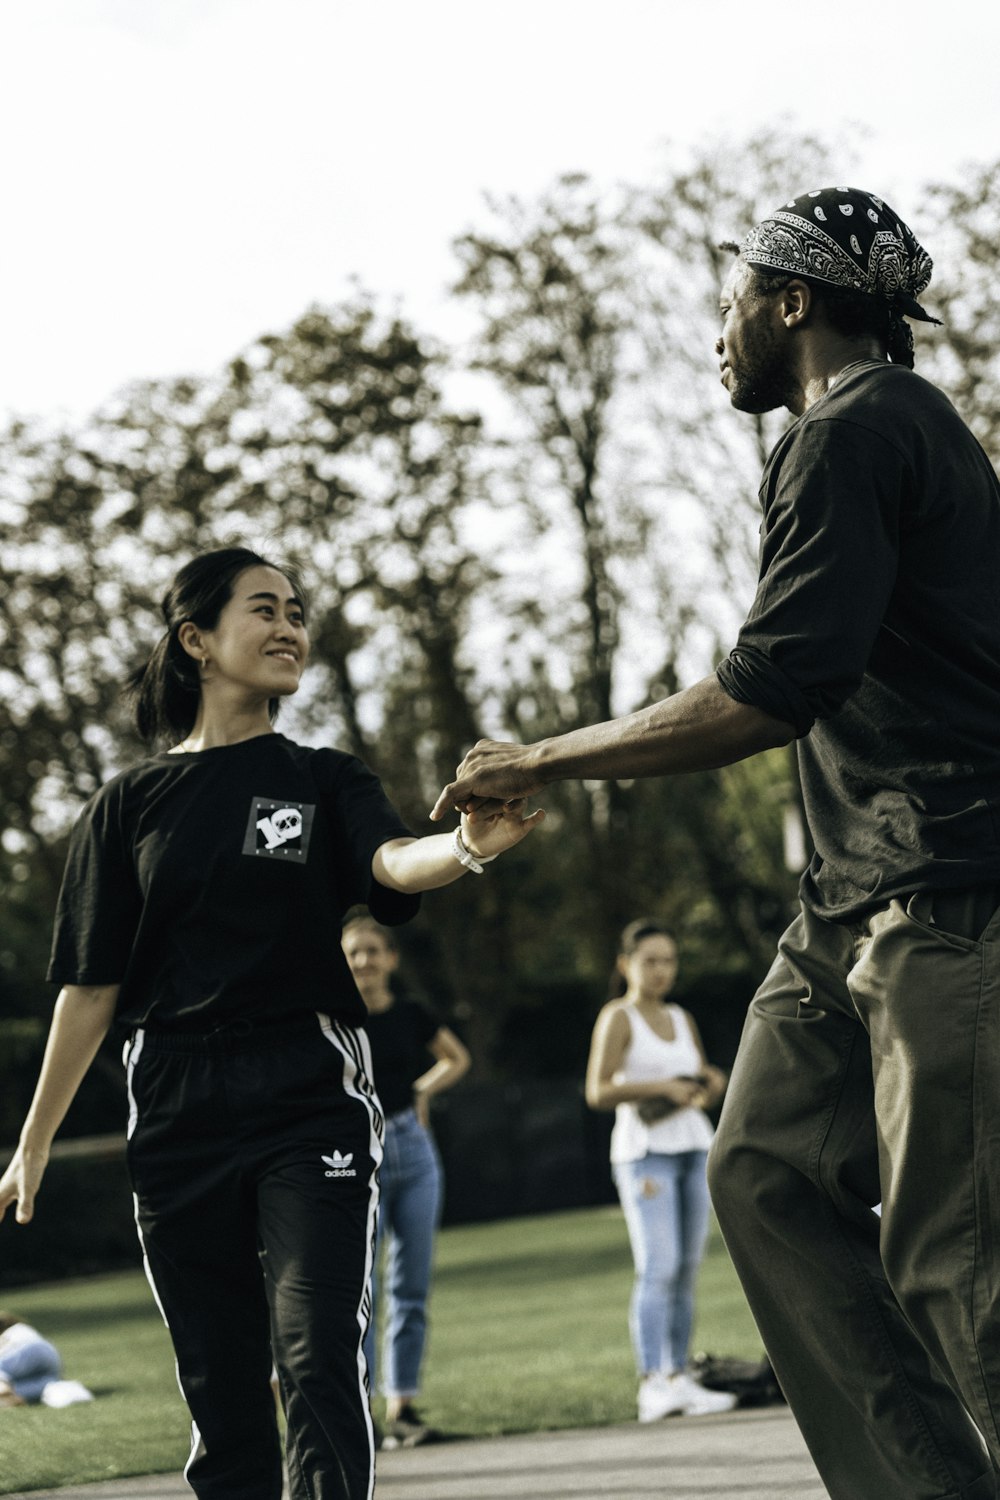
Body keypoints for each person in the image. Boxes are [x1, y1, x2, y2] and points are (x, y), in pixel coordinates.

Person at [431, 187, 1000, 1500]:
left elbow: (770, 685)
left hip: (945, 887)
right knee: (761, 1173)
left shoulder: (857, 430)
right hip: (854, 900)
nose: (723, 330)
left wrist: (540, 759)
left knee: (959, 1260)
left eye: (736, 297)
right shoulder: (874, 433)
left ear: (790, 300)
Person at [0, 547, 542, 1500]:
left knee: (315, 1348)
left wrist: (465, 847)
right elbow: (88, 988)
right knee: (221, 1387)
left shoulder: (323, 777)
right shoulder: (127, 807)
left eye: (298, 610)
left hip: (306, 1088)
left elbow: (390, 866)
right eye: (265, 608)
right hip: (173, 1101)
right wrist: (34, 1142)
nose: (291, 625)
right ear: (196, 641)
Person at [585, 919, 735, 1423]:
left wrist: (708, 1082)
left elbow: (698, 1076)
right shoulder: (618, 1016)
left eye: (669, 960)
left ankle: (680, 1377)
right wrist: (662, 1088)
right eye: (650, 960)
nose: (661, 970)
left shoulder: (680, 1015)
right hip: (645, 1152)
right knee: (658, 1267)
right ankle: (653, 1382)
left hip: (694, 1147)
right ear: (626, 964)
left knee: (687, 1268)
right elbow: (598, 1091)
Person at [341, 915, 469, 1448]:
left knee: (410, 1289)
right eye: (353, 953)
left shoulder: (413, 1012)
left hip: (414, 1152)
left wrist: (421, 1091)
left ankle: (403, 1410)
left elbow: (457, 1059)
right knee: (360, 1292)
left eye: (373, 951)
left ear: (391, 958)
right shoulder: (335, 1019)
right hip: (354, 1158)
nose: (364, 961)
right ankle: (361, 1414)